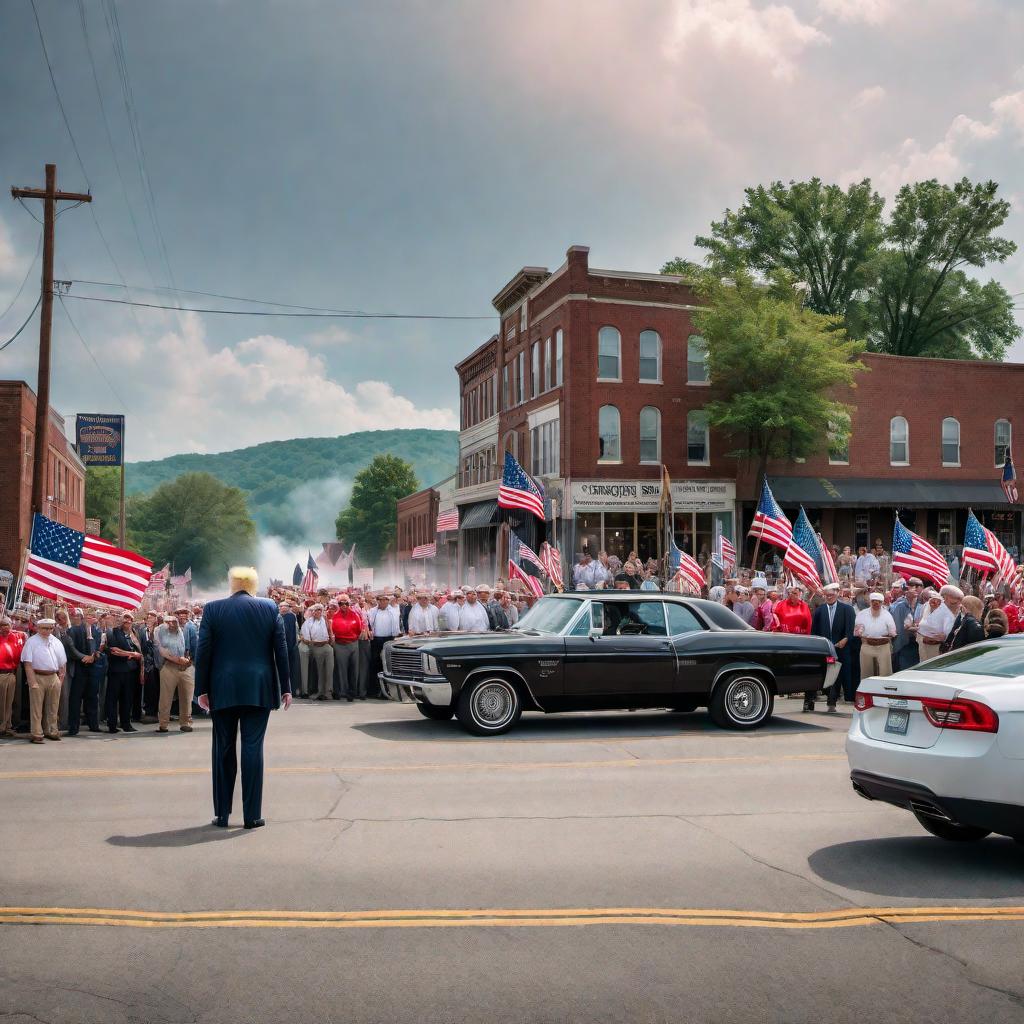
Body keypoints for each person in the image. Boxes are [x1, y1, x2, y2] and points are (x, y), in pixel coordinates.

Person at [195, 566, 291, 830]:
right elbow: (281, 650)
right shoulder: (269, 607)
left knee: (223, 749)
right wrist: (286, 687)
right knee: (253, 748)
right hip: (259, 686)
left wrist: (201, 689)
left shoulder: (213, 609)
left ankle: (222, 814)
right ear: (253, 584)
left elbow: (203, 652)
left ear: (232, 584)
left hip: (222, 685)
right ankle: (252, 816)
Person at [805, 583, 856, 712]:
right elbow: (814, 631)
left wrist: (846, 639)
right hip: (825, 649)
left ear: (837, 593)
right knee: (825, 675)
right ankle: (817, 700)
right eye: (827, 595)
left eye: (832, 595)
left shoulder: (847, 609)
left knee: (839, 675)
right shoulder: (820, 610)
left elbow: (851, 630)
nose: (829, 597)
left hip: (841, 649)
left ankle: (833, 702)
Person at [20, 618, 67, 743]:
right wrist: (32, 681)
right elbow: (27, 663)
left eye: (50, 628)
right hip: (38, 676)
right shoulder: (31, 642)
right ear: (38, 628)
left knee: (53, 706)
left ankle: (52, 730)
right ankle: (36, 733)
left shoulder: (56, 641)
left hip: (53, 676)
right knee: (36, 708)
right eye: (45, 628)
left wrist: (60, 679)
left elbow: (62, 662)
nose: (48, 631)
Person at [67, 612, 106, 736]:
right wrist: (85, 657)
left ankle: (93, 724)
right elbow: (72, 649)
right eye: (88, 617)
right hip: (79, 668)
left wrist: (93, 656)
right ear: (84, 619)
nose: (91, 619)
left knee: (93, 697)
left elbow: (98, 648)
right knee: (76, 698)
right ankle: (73, 727)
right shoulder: (73, 630)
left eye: (92, 617)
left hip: (93, 668)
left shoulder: (97, 632)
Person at [155, 613, 195, 733]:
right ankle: (163, 724)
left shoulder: (184, 630)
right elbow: (162, 651)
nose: (172, 623)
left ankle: (185, 723)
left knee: (187, 696)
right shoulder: (160, 631)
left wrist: (189, 660)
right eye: (169, 622)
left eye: (174, 621)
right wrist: (179, 660)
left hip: (185, 666)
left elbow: (191, 646)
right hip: (169, 666)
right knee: (165, 697)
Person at [106, 611, 143, 733]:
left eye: (130, 619)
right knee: (113, 698)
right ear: (121, 620)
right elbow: (114, 650)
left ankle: (126, 724)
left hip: (131, 671)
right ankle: (112, 725)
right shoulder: (113, 632)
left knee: (127, 699)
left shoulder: (134, 633)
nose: (128, 621)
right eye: (125, 619)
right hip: (116, 671)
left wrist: (133, 655)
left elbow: (140, 652)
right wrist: (132, 654)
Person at [854, 592, 897, 679]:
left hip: (883, 647)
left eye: (878, 602)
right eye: (873, 601)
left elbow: (893, 632)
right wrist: (860, 632)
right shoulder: (862, 614)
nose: (876, 604)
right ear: (870, 602)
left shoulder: (887, 615)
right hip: (867, 646)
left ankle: (884, 692)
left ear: (882, 603)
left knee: (885, 674)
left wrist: (889, 634)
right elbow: (857, 631)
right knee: (866, 674)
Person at [331, 594, 363, 700]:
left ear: (349, 604)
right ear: (338, 605)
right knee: (342, 670)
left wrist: (352, 638)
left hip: (353, 644)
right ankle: (343, 691)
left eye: (346, 603)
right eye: (341, 603)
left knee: (354, 669)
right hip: (340, 645)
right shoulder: (335, 616)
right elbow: (333, 630)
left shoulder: (355, 615)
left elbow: (359, 629)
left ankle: (353, 691)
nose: (344, 605)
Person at [367, 592, 401, 693]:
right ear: (378, 601)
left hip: (389, 639)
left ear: (388, 601)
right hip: (376, 641)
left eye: (385, 600)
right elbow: (369, 624)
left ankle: (390, 689)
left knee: (388, 664)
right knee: (375, 664)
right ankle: (375, 689)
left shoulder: (393, 611)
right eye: (381, 600)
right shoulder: (372, 611)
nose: (383, 602)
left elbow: (396, 626)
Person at [890, 577, 925, 672]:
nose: (917, 589)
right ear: (907, 589)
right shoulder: (899, 605)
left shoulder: (922, 605)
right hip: (903, 645)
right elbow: (899, 627)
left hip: (918, 644)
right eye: (914, 586)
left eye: (920, 586)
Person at [299, 603, 333, 700]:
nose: (316, 612)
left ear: (322, 611)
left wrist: (329, 640)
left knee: (329, 652)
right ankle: (309, 691)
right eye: (313, 610)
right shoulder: (308, 622)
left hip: (324, 644)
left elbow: (330, 635)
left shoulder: (326, 621)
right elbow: (305, 639)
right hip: (312, 645)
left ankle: (327, 691)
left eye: (318, 610)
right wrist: (314, 643)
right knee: (317, 658)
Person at [0, 616, 27, 737]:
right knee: (1, 702)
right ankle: (2, 725)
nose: (5, 627)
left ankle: (7, 725)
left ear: (12, 625)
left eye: (7, 624)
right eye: (2, 625)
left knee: (9, 702)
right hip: (1, 673)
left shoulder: (17, 636)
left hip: (12, 673)